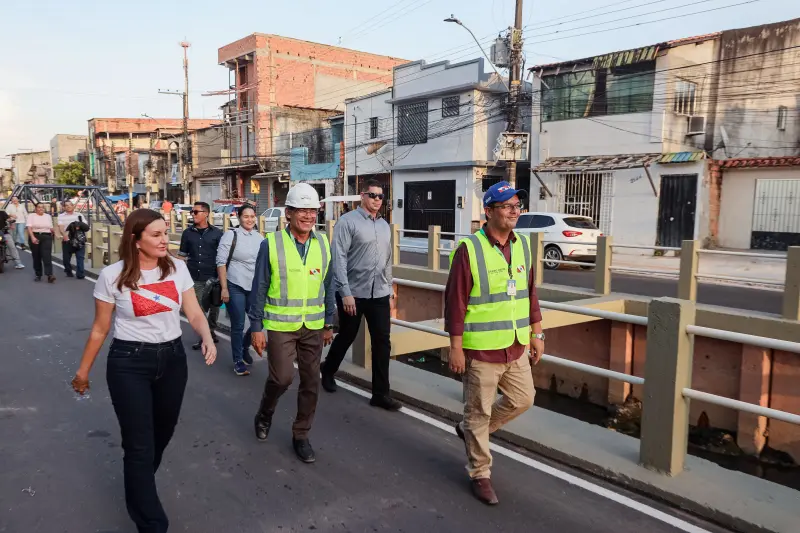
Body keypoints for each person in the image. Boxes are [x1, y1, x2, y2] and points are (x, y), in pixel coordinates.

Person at [71, 209, 217, 533]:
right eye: (156, 235)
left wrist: (207, 337)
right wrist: (83, 372)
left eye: (165, 233)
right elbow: (100, 329)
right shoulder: (112, 276)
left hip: (173, 360)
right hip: (129, 363)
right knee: (139, 446)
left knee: (161, 435)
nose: (165, 240)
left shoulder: (177, 268)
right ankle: (152, 523)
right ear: (136, 240)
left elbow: (193, 311)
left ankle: (139, 486)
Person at [444, 181, 545, 506]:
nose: (515, 211)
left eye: (517, 206)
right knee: (478, 411)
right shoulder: (469, 250)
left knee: (523, 398)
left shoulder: (523, 245)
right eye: (507, 206)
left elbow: (530, 293)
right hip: (482, 349)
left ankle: (471, 430)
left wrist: (537, 333)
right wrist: (456, 347)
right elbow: (455, 303)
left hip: (515, 344)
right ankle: (480, 473)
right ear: (488, 212)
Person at [249, 183, 335, 463]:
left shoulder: (323, 243)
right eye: (302, 211)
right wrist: (256, 327)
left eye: (313, 211)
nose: (309, 216)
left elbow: (329, 284)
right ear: (289, 213)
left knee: (311, 381)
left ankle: (301, 434)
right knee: (282, 378)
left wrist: (328, 323)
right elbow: (260, 286)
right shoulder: (271, 244)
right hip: (280, 326)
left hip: (313, 326)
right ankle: (265, 413)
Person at [321, 179, 400, 411]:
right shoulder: (347, 222)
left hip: (379, 293)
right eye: (372, 195)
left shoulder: (384, 226)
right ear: (362, 196)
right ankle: (328, 369)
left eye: (380, 196)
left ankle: (381, 394)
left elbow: (387, 259)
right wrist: (345, 293)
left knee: (382, 343)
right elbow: (338, 259)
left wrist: (390, 289)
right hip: (353, 293)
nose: (377, 200)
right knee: (347, 335)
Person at [217, 204, 263, 376]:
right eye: (246, 216)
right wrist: (224, 288)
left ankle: (244, 347)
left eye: (252, 216)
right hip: (234, 284)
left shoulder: (259, 238)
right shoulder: (231, 235)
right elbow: (221, 262)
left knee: (260, 320)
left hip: (254, 287)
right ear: (239, 217)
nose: (249, 220)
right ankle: (237, 360)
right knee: (238, 324)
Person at [177, 201, 223, 349]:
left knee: (214, 307)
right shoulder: (187, 233)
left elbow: (222, 258)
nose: (193, 214)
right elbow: (182, 256)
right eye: (192, 212)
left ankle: (211, 330)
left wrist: (223, 279)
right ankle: (205, 336)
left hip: (213, 278)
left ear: (206, 214)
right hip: (194, 277)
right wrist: (179, 278)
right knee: (198, 309)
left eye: (196, 212)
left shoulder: (217, 234)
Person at [57, 200, 89, 279]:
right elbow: (61, 227)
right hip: (67, 239)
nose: (68, 207)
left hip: (79, 239)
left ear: (73, 206)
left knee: (80, 257)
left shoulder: (79, 215)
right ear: (64, 207)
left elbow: (86, 226)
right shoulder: (61, 216)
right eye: (66, 205)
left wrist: (79, 225)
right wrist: (64, 235)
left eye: (70, 205)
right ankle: (68, 271)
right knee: (66, 259)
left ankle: (80, 274)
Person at [27, 202, 56, 283]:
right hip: (35, 235)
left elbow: (50, 227)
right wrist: (32, 237)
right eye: (39, 207)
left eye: (42, 207)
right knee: (36, 256)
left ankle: (49, 275)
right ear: (36, 208)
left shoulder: (48, 216)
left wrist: (55, 233)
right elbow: (29, 227)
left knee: (47, 256)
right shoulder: (31, 216)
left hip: (46, 236)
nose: (41, 209)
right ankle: (38, 274)